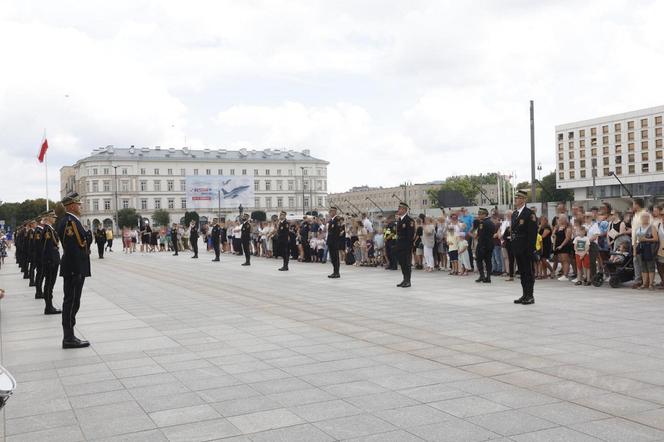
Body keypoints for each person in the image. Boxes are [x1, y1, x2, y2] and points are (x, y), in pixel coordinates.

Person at [57, 192, 91, 348]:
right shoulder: (69, 222)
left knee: (73, 302)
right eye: (78, 204)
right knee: (71, 302)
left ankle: (69, 336)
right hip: (74, 268)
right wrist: (77, 271)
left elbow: (81, 243)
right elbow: (72, 247)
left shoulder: (71, 221)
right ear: (71, 206)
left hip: (75, 267)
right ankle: (68, 338)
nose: (80, 206)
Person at [512, 190, 538, 305]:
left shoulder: (529, 213)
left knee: (528, 272)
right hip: (517, 247)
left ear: (523, 200)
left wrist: (530, 249)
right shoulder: (515, 214)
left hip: (526, 248)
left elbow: (532, 233)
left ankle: (530, 296)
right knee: (522, 272)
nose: (516, 200)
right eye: (516, 198)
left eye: (518, 198)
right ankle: (524, 294)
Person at [41, 210, 62, 315]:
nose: (55, 218)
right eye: (53, 217)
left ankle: (49, 306)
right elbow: (46, 247)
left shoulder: (50, 229)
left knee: (50, 284)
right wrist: (50, 260)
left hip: (52, 259)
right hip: (50, 261)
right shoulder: (47, 230)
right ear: (48, 217)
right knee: (49, 284)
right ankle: (48, 307)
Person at [635, 212, 659, 290]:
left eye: (646, 217)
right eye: (643, 217)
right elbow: (636, 239)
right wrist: (634, 250)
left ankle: (651, 284)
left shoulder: (652, 227)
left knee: (650, 266)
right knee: (643, 267)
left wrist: (646, 239)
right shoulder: (638, 227)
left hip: (649, 249)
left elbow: (656, 239)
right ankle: (644, 283)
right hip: (640, 248)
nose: (645, 218)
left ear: (648, 218)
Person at [395, 202, 415, 287]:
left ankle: (408, 281)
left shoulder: (409, 220)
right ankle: (404, 279)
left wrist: (408, 246)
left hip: (406, 246)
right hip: (400, 245)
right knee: (402, 263)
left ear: (404, 210)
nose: (398, 210)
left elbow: (410, 235)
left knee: (407, 263)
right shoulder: (400, 220)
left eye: (400, 209)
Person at [475, 208, 495, 283]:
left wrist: (480, 244)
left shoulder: (482, 223)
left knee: (479, 260)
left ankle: (482, 276)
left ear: (485, 214)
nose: (479, 216)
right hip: (490, 244)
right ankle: (488, 277)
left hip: (482, 245)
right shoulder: (491, 222)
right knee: (488, 261)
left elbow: (481, 235)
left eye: (480, 214)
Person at [326, 207, 341, 278]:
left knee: (335, 258)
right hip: (330, 242)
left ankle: (337, 272)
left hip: (334, 242)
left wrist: (334, 241)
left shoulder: (337, 220)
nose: (330, 213)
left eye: (331, 212)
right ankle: (334, 272)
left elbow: (337, 232)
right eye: (330, 212)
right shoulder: (331, 220)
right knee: (333, 258)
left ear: (334, 212)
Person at [33, 216, 45, 299]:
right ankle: (38, 292)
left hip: (40, 256)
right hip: (39, 257)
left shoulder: (40, 230)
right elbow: (39, 245)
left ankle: (39, 291)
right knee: (40, 275)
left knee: (40, 275)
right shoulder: (38, 231)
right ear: (40, 221)